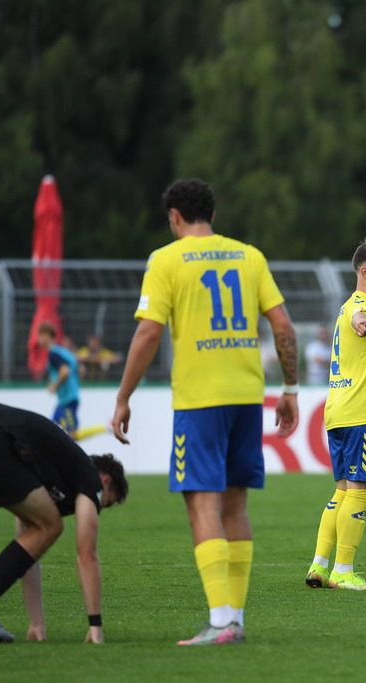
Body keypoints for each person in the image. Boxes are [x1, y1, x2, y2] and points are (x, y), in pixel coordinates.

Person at [112, 178, 299, 646]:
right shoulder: (249, 256)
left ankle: (220, 622)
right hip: (246, 396)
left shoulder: (165, 259)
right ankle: (235, 619)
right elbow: (282, 324)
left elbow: (148, 333)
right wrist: (290, 388)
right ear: (212, 216)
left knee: (202, 505)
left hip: (200, 400)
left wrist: (123, 396)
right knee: (235, 506)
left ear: (174, 216)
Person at [0, 401, 128, 644]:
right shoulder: (89, 478)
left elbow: (27, 551)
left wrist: (36, 623)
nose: (98, 510)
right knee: (51, 526)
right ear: (105, 481)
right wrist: (95, 626)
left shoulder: (51, 467)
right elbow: (87, 556)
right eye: (105, 504)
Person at [304, 239, 366, 592]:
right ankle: (343, 572)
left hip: (339, 411)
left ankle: (319, 565)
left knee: (343, 491)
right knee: (360, 491)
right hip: (362, 414)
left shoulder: (350, 304)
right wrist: (361, 322)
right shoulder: (362, 305)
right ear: (365, 272)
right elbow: (358, 316)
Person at [37, 322, 105, 441]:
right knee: (51, 434)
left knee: (72, 435)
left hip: (67, 400)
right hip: (65, 400)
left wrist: (55, 386)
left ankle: (105, 427)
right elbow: (80, 369)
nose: (39, 339)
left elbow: (65, 371)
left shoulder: (53, 354)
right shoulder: (63, 352)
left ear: (47, 335)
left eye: (40, 335)